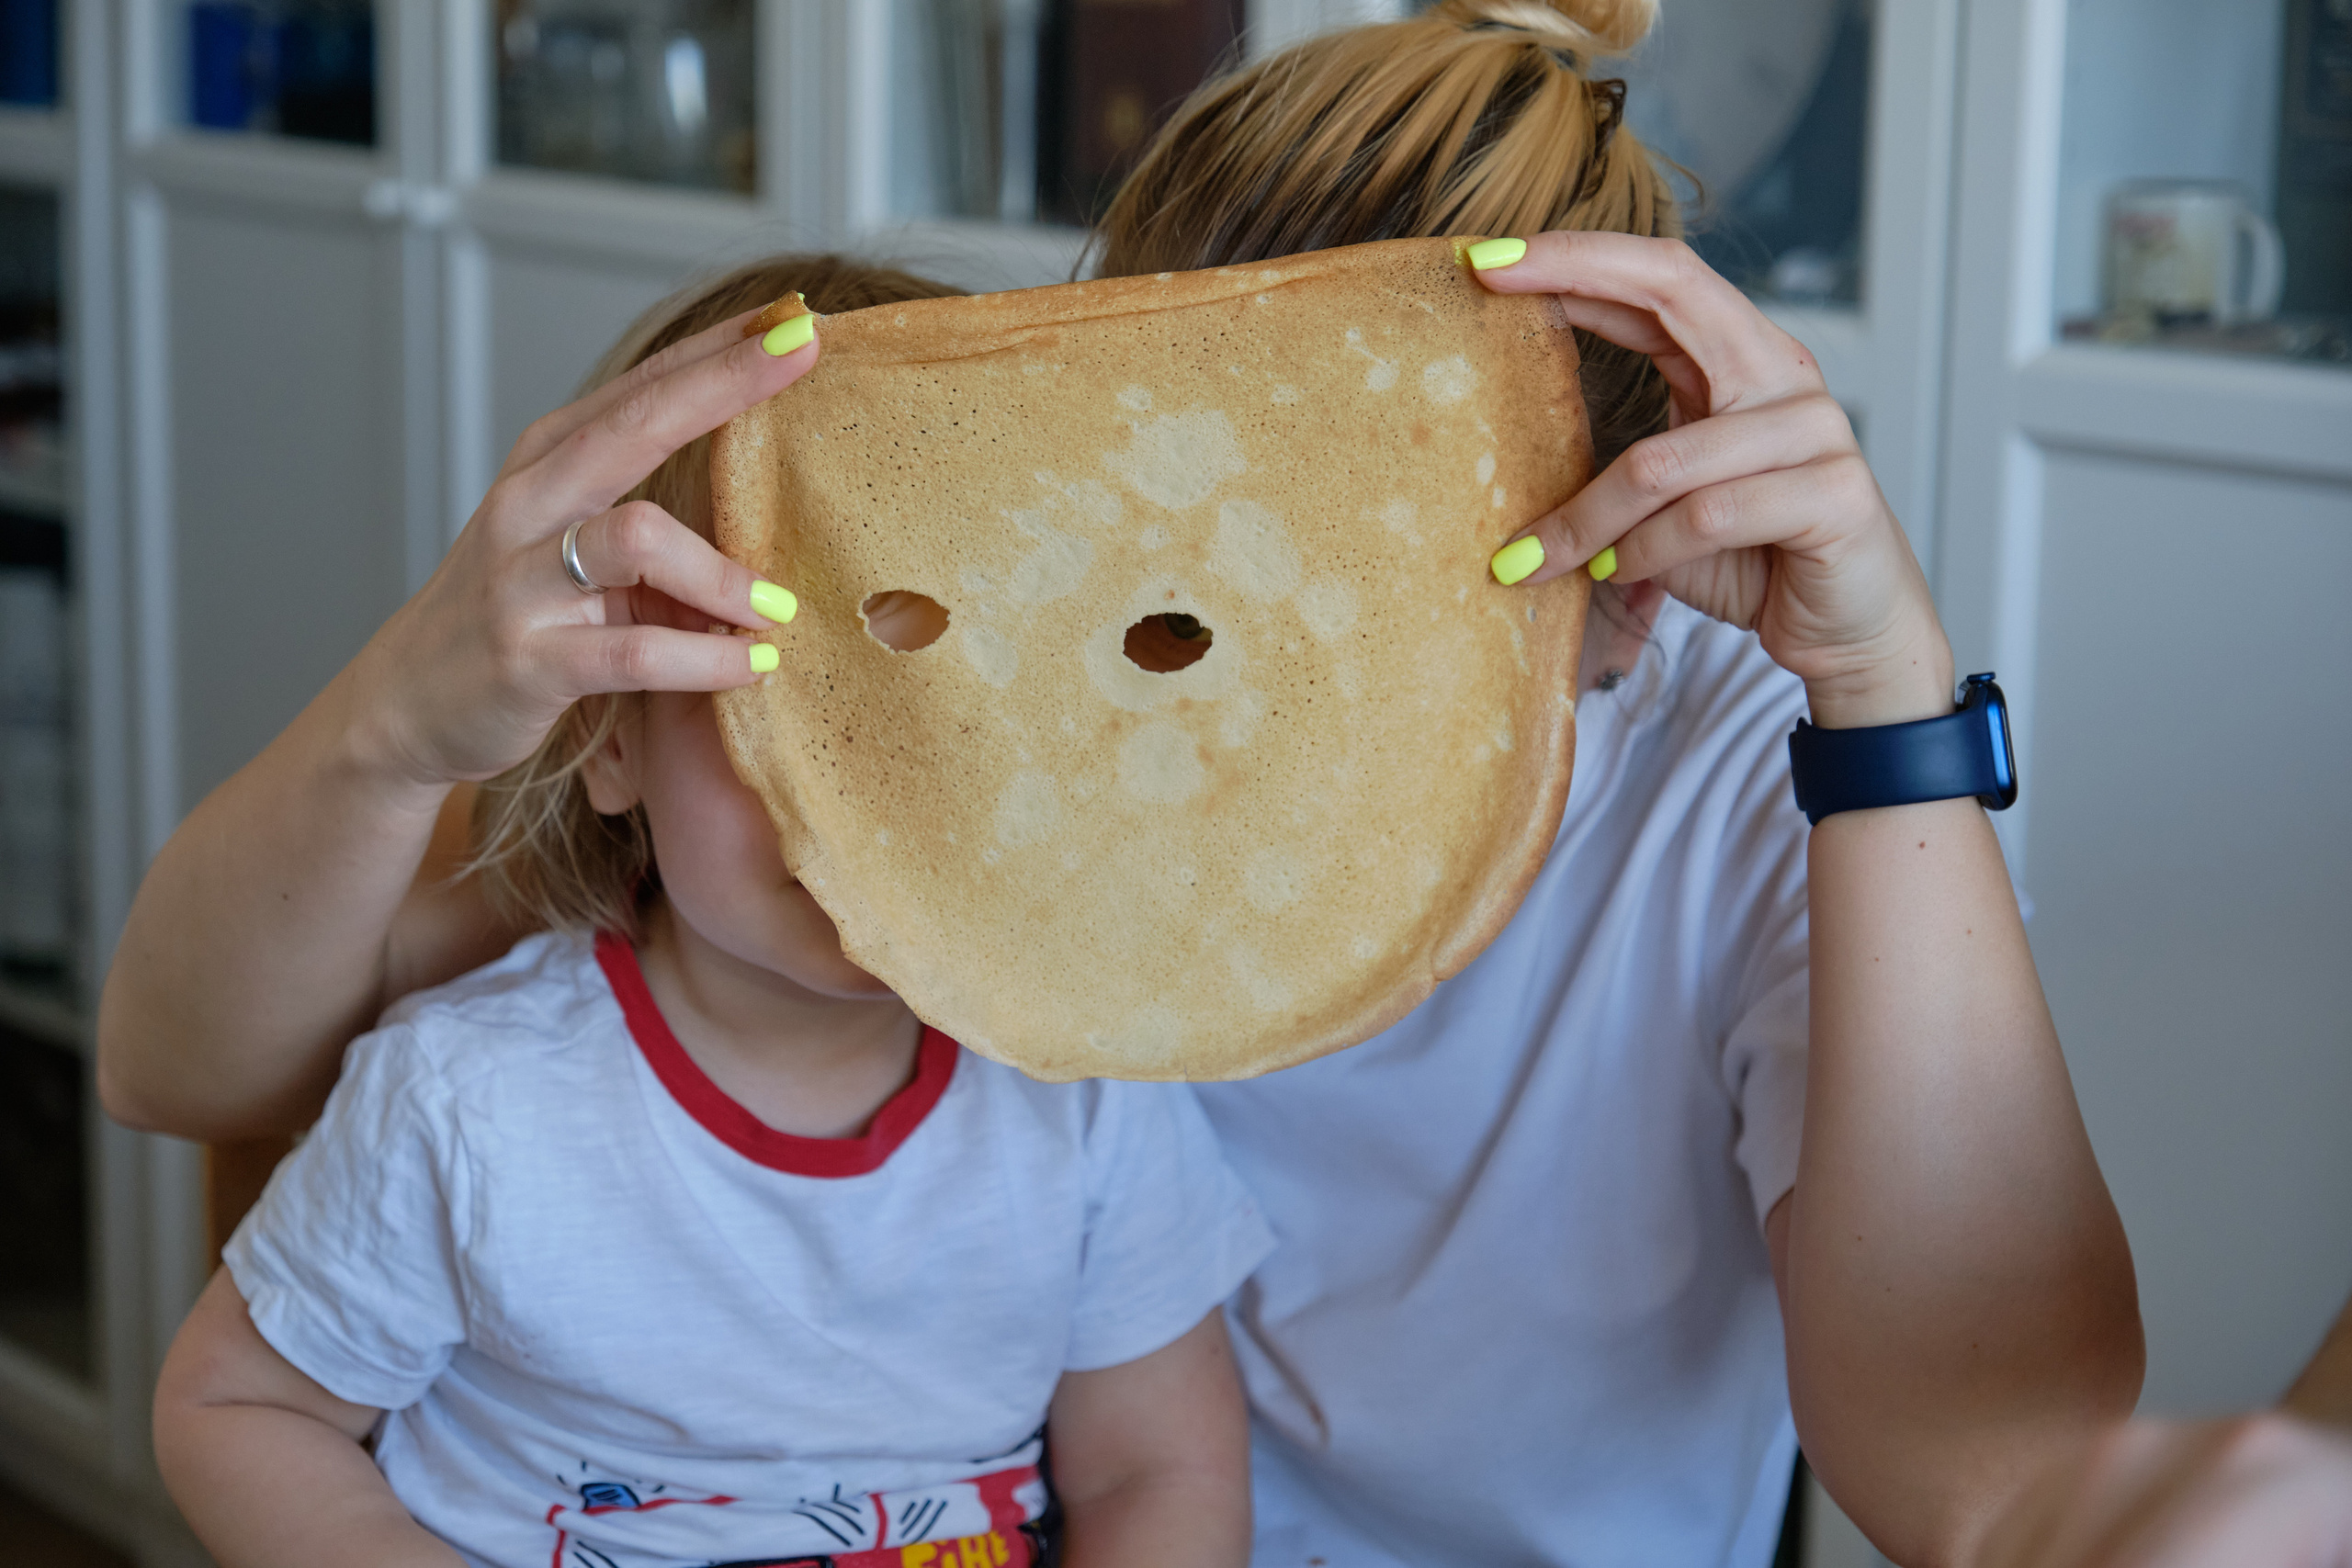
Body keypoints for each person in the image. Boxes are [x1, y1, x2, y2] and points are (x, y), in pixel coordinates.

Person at [101, 3, 2145, 1565]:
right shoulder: (885, 715)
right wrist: (400, 712)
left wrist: (1879, 706)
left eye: (1362, 576)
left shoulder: (1740, 783)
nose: (1209, 635)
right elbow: (182, 1059)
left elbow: (1976, 1458)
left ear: (1609, 590)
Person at [145, 258, 1274, 1568]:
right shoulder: (465, 1104)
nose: (875, 808)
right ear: (609, 741)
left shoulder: (1085, 1093)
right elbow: (235, 1408)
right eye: (788, 720)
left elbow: (1159, 1470)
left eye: (969, 726)